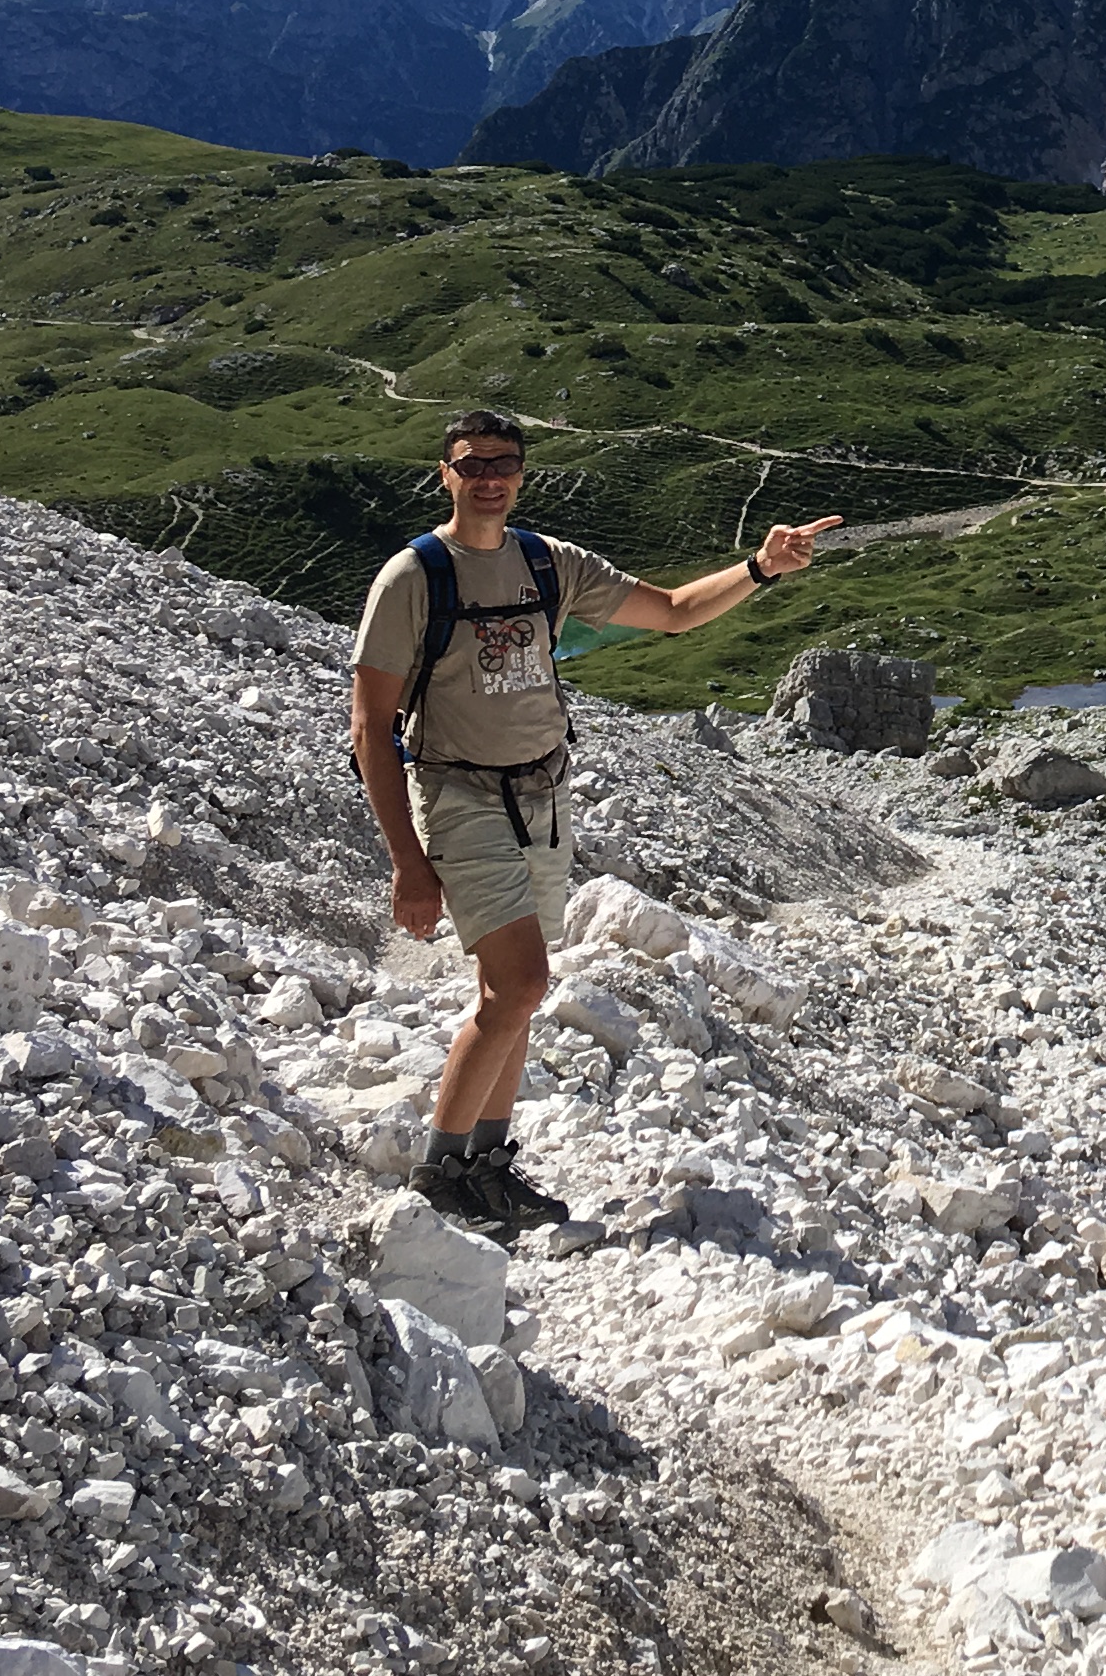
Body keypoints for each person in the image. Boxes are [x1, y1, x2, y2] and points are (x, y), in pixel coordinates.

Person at [347, 408, 838, 1233]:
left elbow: (676, 610)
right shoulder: (413, 577)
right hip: (459, 796)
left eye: (505, 462)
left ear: (523, 473)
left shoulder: (548, 563)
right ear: (446, 474)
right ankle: (441, 1175)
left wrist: (760, 568)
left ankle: (487, 1166)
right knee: (521, 984)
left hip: (543, 797)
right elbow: (370, 727)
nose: (490, 477)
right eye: (473, 464)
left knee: (515, 996)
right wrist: (407, 859)